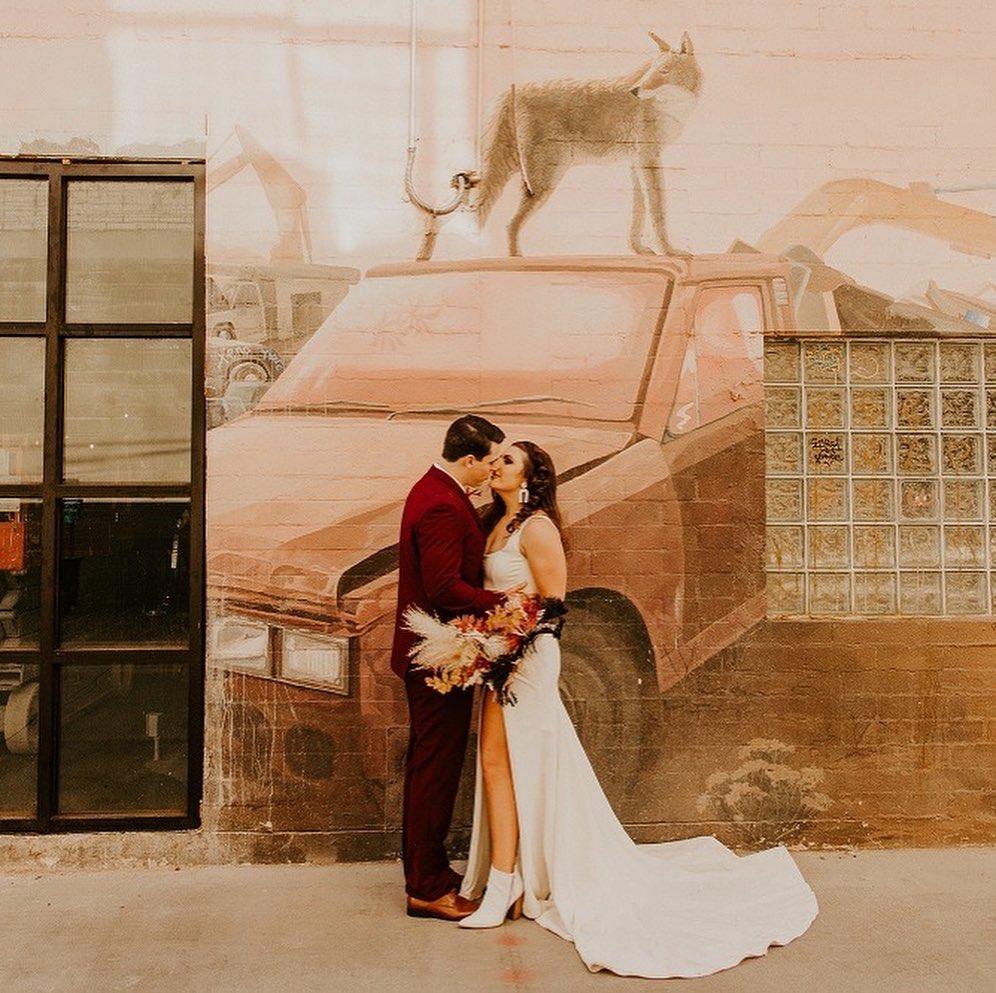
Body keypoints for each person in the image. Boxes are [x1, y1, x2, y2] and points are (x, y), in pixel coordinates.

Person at [457, 441, 820, 978]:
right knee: (493, 763)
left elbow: (553, 603)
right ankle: (505, 880)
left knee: (522, 766)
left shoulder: (537, 529)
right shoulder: (496, 525)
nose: (497, 464)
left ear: (531, 479)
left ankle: (509, 882)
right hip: (497, 655)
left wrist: (512, 645)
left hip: (528, 657)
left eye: (508, 461)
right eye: (498, 458)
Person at [391, 414, 510, 921]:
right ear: (468, 460)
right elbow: (444, 588)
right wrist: (505, 602)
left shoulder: (435, 489)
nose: (493, 469)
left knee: (430, 769)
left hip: (435, 657)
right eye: (490, 461)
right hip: (437, 660)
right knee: (434, 774)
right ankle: (427, 887)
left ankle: (428, 874)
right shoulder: (441, 503)